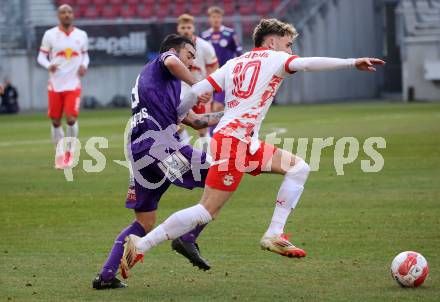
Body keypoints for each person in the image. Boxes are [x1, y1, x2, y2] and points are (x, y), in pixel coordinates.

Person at [122, 19, 385, 274]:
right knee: (206, 210)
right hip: (233, 143)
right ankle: (142, 244)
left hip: (241, 141)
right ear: (272, 42)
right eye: (288, 44)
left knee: (298, 168)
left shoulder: (234, 63)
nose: (290, 50)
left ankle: (274, 233)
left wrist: (177, 115)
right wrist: (352, 62)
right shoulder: (276, 58)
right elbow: (307, 64)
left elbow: (196, 90)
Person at [93, 34, 222, 290]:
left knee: (144, 222)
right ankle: (188, 238)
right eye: (190, 55)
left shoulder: (165, 87)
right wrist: (199, 85)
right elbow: (173, 61)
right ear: (175, 50)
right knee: (221, 177)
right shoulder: (163, 62)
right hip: (159, 145)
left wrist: (232, 112)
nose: (192, 61)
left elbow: (197, 122)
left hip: (142, 153)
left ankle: (105, 277)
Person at [37, 4, 89, 169]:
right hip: (55, 85)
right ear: (59, 16)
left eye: (69, 12)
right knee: (56, 122)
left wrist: (84, 66)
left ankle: (70, 152)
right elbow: (41, 57)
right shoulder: (50, 35)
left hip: (73, 84)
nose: (66, 15)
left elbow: (85, 55)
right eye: (63, 12)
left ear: (72, 15)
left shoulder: (81, 35)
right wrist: (48, 66)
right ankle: (59, 154)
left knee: (72, 119)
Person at [176, 14, 219, 149]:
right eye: (183, 27)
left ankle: (207, 157)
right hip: (181, 89)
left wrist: (209, 88)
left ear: (193, 28)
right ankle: (185, 153)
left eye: (188, 27)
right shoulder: (173, 47)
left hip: (200, 89)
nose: (186, 30)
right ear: (178, 29)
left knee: (202, 126)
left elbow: (213, 67)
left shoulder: (204, 46)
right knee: (177, 123)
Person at [201, 6, 242, 131]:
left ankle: (213, 135)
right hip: (208, 76)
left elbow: (239, 52)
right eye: (213, 17)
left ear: (221, 18)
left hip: (225, 76)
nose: (216, 20)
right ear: (209, 19)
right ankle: (212, 136)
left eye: (218, 17)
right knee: (209, 108)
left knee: (218, 107)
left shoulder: (230, 33)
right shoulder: (204, 36)